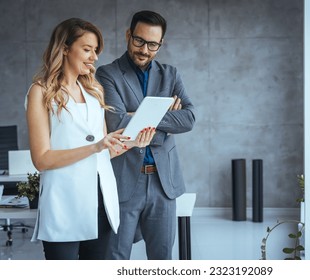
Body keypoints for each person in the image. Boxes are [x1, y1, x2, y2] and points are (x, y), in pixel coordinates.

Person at [26, 18, 155, 260]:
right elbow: (41, 159)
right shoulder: (40, 92)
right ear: (64, 48)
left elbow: (104, 152)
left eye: (95, 51)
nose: (94, 57)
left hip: (101, 203)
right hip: (64, 203)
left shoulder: (93, 93)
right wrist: (95, 146)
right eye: (87, 49)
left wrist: (133, 143)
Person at [96, 10, 196, 260]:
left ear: (160, 44)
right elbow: (117, 122)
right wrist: (164, 115)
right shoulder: (107, 74)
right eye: (139, 40)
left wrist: (138, 116)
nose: (144, 49)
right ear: (129, 35)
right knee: (116, 259)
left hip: (163, 182)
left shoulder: (170, 74)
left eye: (153, 44)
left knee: (162, 261)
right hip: (125, 180)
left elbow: (189, 118)